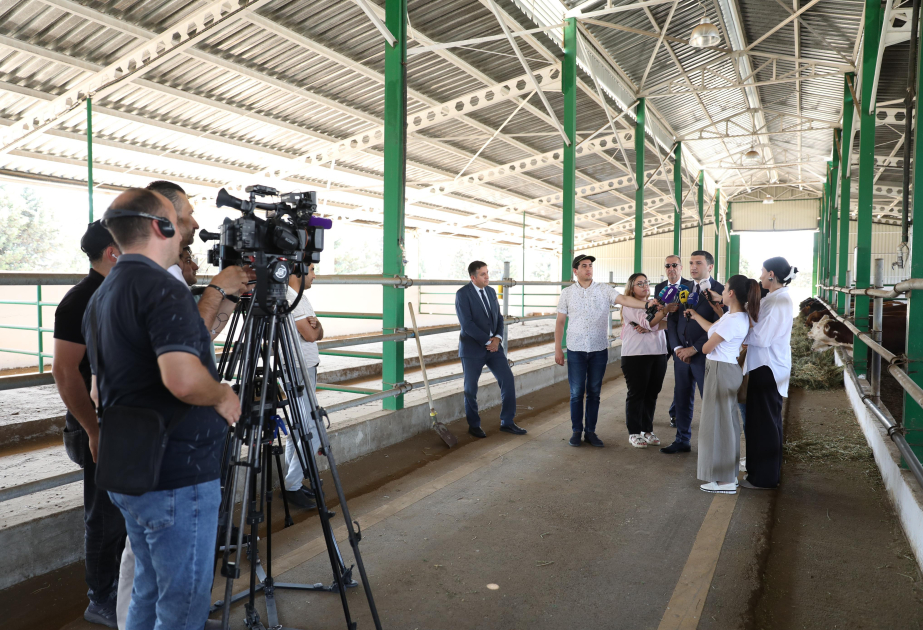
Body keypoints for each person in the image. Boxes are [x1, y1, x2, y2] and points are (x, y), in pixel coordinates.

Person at [86, 188, 241, 630]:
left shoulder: (104, 292)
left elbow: (99, 392)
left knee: (148, 592)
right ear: (162, 227)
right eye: (182, 219)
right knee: (183, 606)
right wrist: (222, 394)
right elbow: (182, 379)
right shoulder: (162, 288)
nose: (189, 229)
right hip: (177, 476)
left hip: (133, 469)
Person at [52, 221, 124, 628]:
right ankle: (100, 598)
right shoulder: (81, 299)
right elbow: (64, 372)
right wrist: (94, 430)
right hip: (94, 426)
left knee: (124, 513)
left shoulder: (116, 292)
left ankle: (122, 590)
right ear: (113, 253)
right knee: (105, 515)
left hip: (120, 423)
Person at [554, 255, 652, 447]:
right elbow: (560, 322)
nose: (588, 269)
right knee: (576, 393)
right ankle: (576, 431)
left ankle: (590, 431)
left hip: (599, 348)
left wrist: (647, 304)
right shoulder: (567, 293)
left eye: (590, 266)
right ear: (575, 271)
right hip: (575, 348)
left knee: (594, 392)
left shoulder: (603, 289)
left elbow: (624, 299)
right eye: (584, 266)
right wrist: (558, 348)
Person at [685, 275, 761, 494]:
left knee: (718, 426)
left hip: (720, 370)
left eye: (725, 287)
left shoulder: (732, 320)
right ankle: (727, 476)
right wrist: (696, 315)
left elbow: (707, 348)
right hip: (725, 369)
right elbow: (712, 329)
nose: (722, 290)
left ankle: (725, 481)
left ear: (731, 293)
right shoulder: (735, 316)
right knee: (725, 424)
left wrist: (704, 344)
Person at [661, 250, 725, 455]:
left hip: (705, 355)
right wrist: (678, 347)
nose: (693, 267)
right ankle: (682, 439)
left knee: (709, 400)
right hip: (681, 355)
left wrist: (694, 348)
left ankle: (712, 445)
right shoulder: (683, 288)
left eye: (698, 263)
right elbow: (672, 319)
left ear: (710, 266)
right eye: (690, 263)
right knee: (681, 397)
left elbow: (720, 325)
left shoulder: (721, 292)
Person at [741, 257, 797, 490]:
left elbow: (761, 337)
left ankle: (763, 478)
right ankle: (762, 470)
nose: (761, 275)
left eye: (763, 272)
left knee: (763, 423)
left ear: (772, 274)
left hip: (767, 368)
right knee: (764, 421)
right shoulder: (774, 299)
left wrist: (739, 335)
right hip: (766, 366)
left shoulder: (777, 302)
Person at [455, 261, 525, 437]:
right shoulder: (463, 294)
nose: (487, 277)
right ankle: (474, 425)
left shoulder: (492, 291)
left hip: (494, 348)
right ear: (473, 277)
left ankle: (507, 421)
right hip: (472, 349)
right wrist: (488, 341)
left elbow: (499, 318)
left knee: (507, 380)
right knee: (470, 389)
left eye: (487, 273)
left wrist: (498, 338)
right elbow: (467, 324)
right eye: (483, 274)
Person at [282, 261, 323, 510]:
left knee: (296, 430)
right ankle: (292, 485)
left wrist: (315, 328)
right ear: (298, 270)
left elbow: (318, 330)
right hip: (297, 369)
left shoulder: (300, 297)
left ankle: (293, 484)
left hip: (306, 367)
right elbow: (310, 334)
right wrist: (314, 329)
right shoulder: (289, 297)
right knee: (312, 429)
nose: (314, 275)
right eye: (312, 269)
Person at [620, 272, 669, 448]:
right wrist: (661, 315)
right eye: (640, 283)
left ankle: (647, 430)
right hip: (635, 355)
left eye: (646, 283)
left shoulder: (657, 304)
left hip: (658, 352)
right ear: (631, 288)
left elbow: (667, 323)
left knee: (652, 393)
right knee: (637, 394)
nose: (645, 286)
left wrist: (654, 323)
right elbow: (650, 322)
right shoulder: (630, 305)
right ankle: (634, 432)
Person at [654, 255, 691, 429]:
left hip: (681, 338)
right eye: (667, 266)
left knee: (681, 378)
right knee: (654, 376)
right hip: (663, 336)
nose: (671, 268)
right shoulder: (659, 288)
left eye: (674, 265)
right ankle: (646, 413)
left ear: (681, 267)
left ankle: (676, 414)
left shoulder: (690, 287)